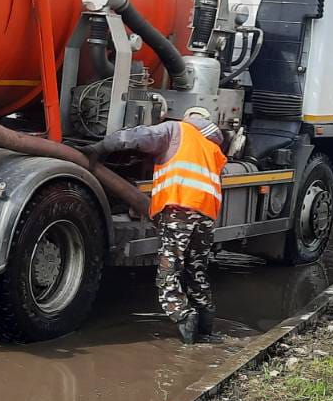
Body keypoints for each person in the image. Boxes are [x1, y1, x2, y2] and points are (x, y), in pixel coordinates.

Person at [82, 110, 226, 343]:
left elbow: (138, 136)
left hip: (179, 210)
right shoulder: (214, 148)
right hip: (206, 216)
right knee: (196, 270)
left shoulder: (176, 130)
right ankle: (206, 327)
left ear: (188, 117)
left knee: (169, 271)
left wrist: (102, 147)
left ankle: (183, 316)